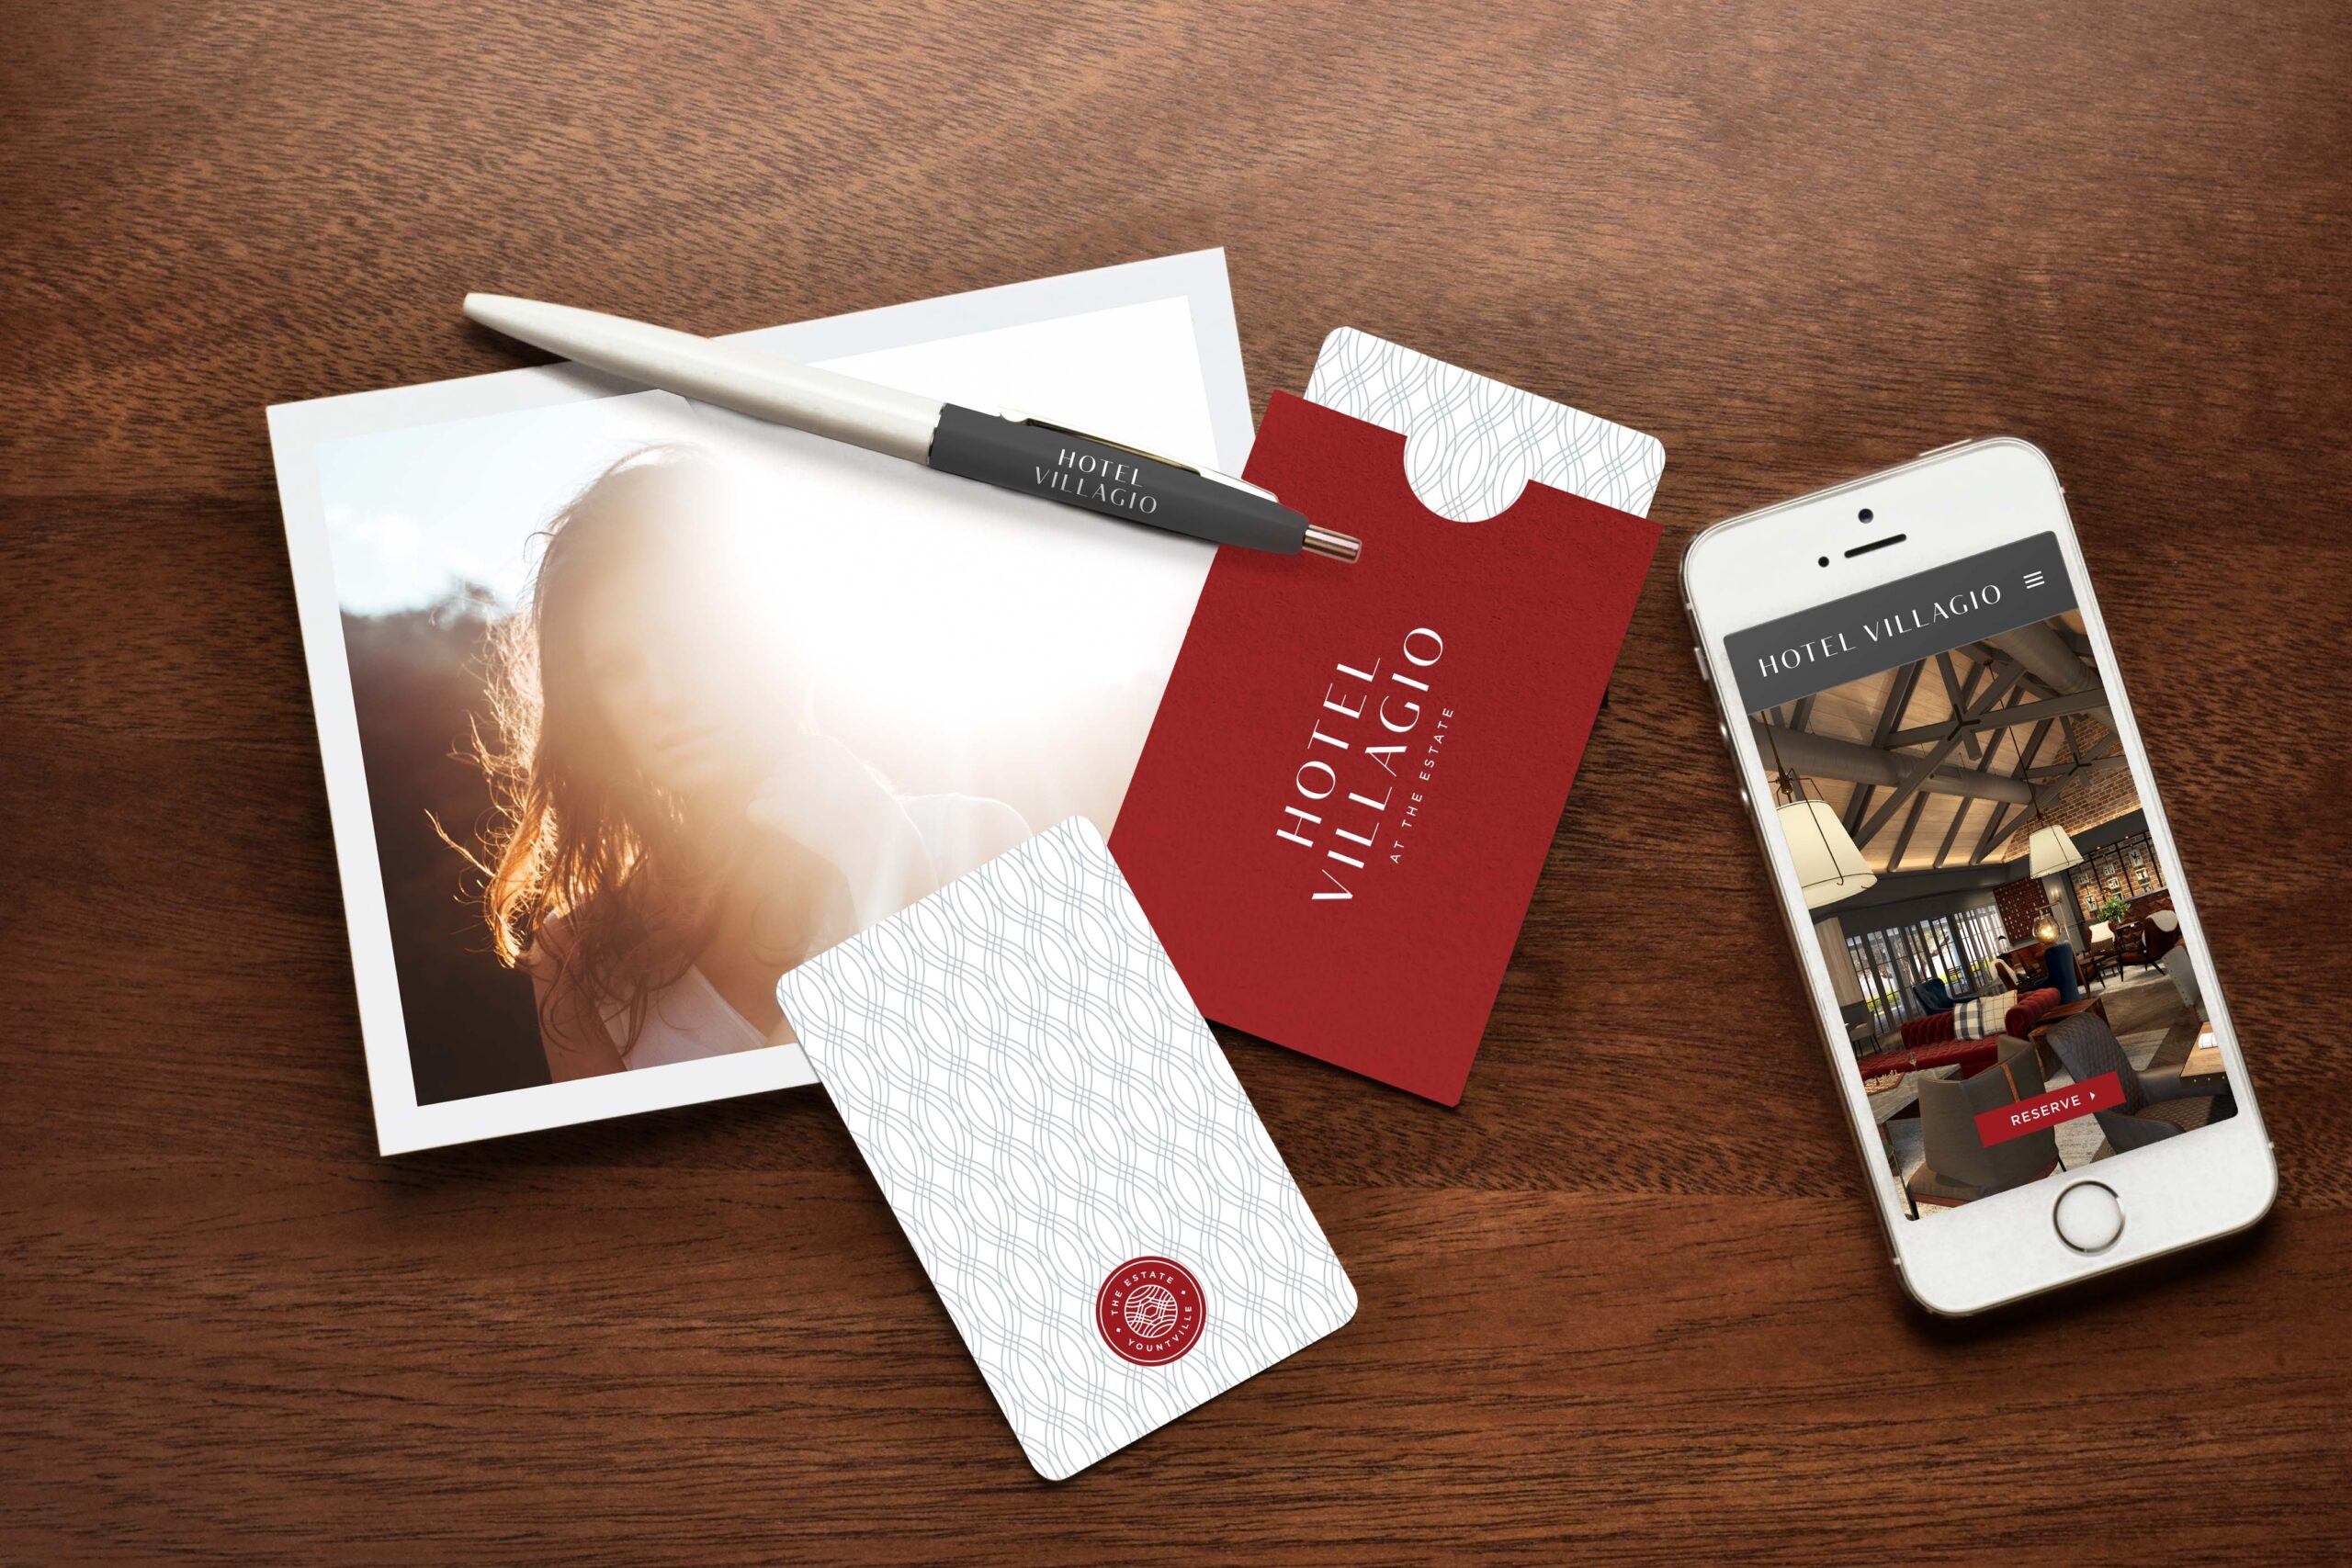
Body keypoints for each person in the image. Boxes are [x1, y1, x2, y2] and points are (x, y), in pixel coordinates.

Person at [466, 447, 1026, 1078]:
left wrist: (883, 849)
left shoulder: (981, 842)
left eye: (691, 641)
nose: (662, 693)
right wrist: (888, 883)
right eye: (618, 669)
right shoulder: (575, 958)